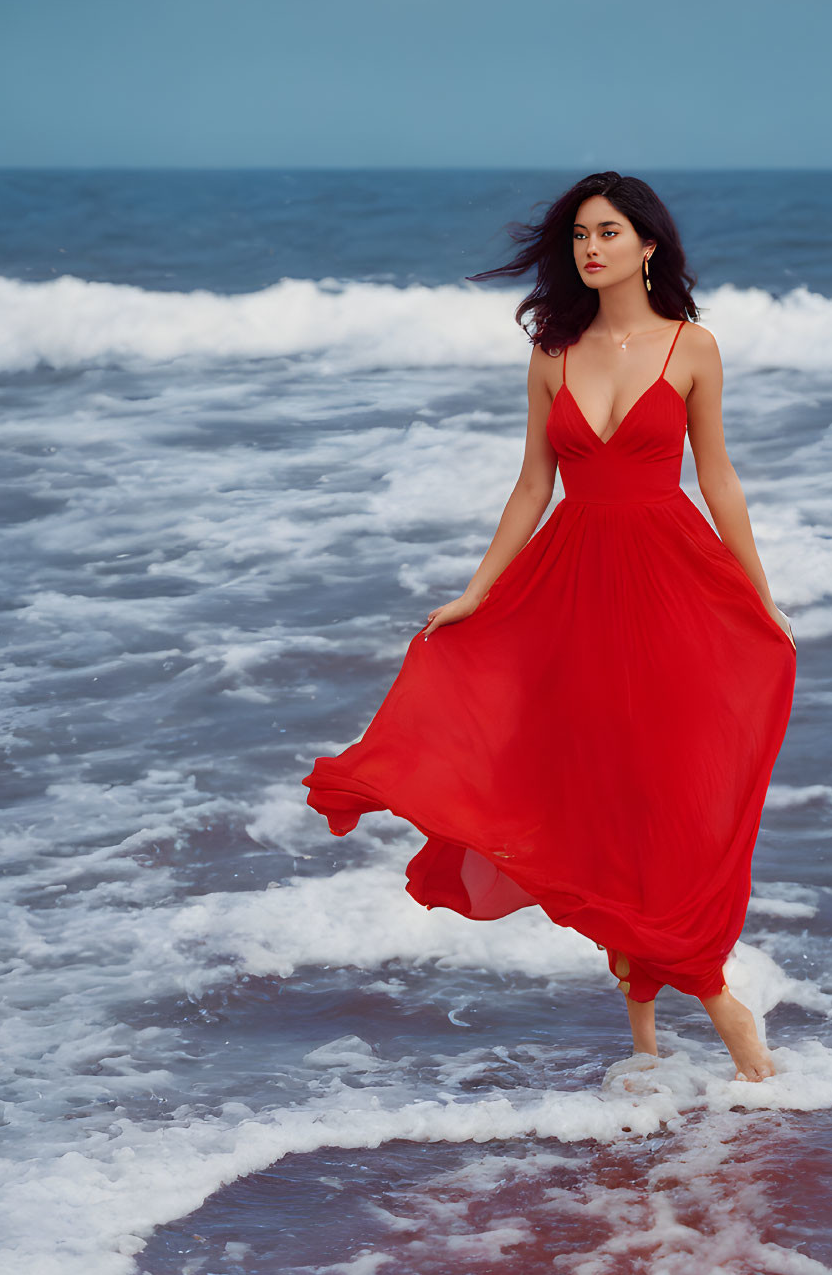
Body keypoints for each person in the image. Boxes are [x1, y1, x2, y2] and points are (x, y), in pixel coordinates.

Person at [303, 172, 796, 1083]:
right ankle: (645, 1051)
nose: (590, 248)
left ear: (649, 245)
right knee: (593, 808)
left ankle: (719, 1000)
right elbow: (533, 486)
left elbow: (718, 479)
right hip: (572, 602)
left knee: (663, 806)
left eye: (608, 231)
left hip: (673, 598)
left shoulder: (694, 348)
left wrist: (758, 597)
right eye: (578, 235)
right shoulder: (552, 354)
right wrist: (477, 593)